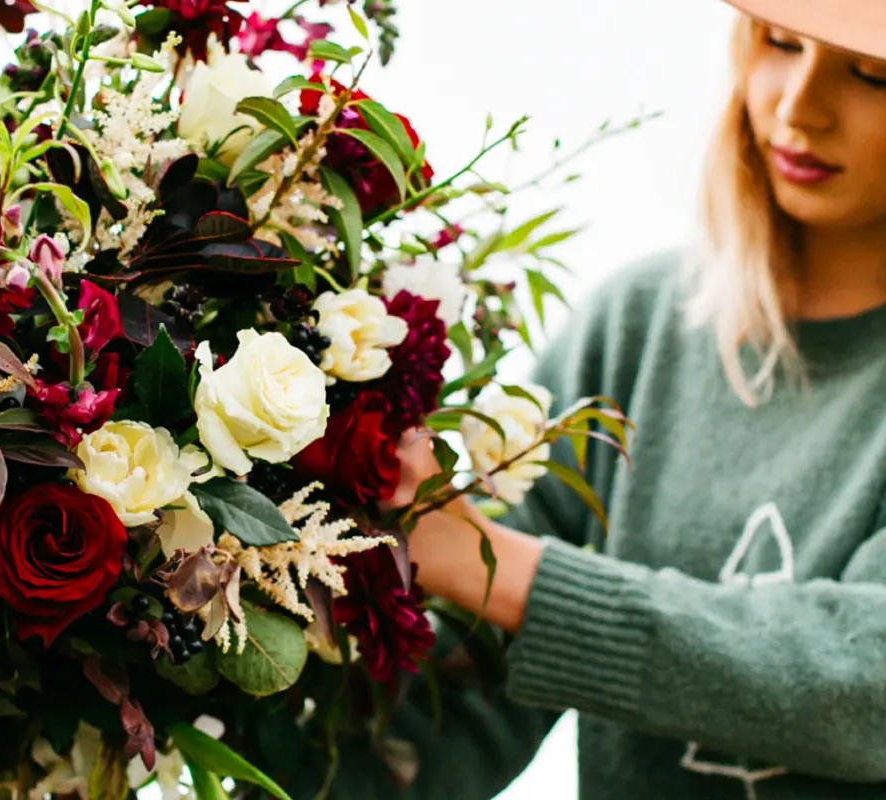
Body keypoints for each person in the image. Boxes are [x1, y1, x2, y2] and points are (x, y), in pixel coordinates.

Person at [292, 1, 886, 798]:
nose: (798, 106)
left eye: (871, 74)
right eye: (780, 43)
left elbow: (865, 684)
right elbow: (462, 685)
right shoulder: (640, 324)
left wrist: (497, 572)